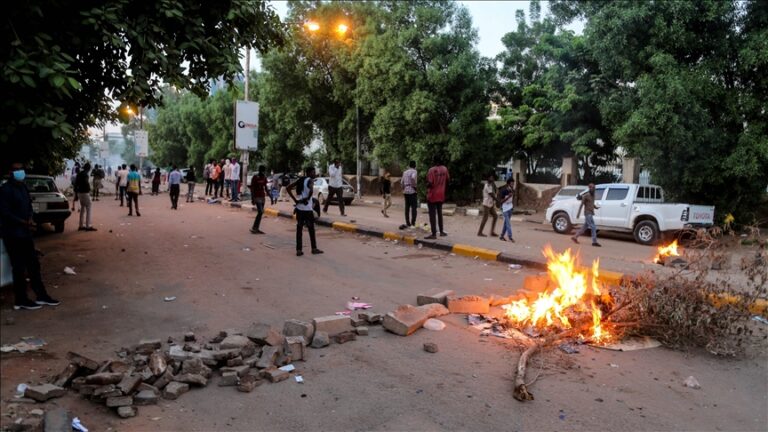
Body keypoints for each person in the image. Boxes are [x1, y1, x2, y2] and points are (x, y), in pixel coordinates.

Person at [0, 162, 61, 310]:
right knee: (18, 267)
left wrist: (30, 219)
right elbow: (5, 213)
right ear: (10, 172)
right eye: (16, 169)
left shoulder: (23, 187)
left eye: (21, 169)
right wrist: (23, 222)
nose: (20, 172)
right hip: (13, 234)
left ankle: (41, 295)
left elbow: (28, 207)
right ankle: (21, 299)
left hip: (25, 233)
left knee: (33, 265)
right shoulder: (5, 190)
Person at [287, 167, 323, 256]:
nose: (315, 174)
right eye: (313, 172)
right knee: (311, 229)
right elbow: (311, 190)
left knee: (299, 229)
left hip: (299, 208)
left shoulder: (300, 180)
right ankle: (314, 248)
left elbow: (288, 188)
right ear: (309, 173)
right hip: (307, 209)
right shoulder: (310, 180)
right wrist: (307, 198)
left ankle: (298, 250)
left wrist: (295, 200)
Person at [425, 156, 449, 239]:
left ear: (434, 161)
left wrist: (427, 185)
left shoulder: (431, 170)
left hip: (432, 195)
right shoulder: (445, 169)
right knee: (439, 213)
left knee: (432, 215)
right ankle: (441, 232)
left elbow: (430, 183)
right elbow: (448, 179)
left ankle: (434, 234)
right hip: (441, 194)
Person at [74, 163, 96, 231]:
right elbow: (86, 182)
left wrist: (76, 194)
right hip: (85, 192)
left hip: (79, 192)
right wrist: (89, 189)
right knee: (88, 208)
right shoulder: (85, 174)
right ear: (88, 168)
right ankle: (88, 226)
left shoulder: (79, 173)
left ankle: (81, 225)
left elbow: (76, 184)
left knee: (82, 209)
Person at [249, 165, 269, 234]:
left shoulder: (264, 177)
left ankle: (256, 228)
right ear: (259, 170)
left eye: (263, 171)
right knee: (260, 211)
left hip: (262, 196)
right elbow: (252, 188)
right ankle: (254, 227)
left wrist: (271, 197)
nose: (263, 172)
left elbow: (266, 187)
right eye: (262, 170)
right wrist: (252, 198)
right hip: (256, 196)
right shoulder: (255, 177)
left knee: (260, 213)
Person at [400, 160, 418, 230]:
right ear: (415, 165)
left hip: (406, 191)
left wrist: (403, 188)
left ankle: (408, 223)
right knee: (414, 207)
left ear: (409, 165)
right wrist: (414, 187)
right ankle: (413, 223)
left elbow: (401, 182)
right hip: (412, 191)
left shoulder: (405, 172)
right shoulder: (414, 171)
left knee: (407, 207)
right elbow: (413, 178)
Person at [498, 177, 515, 242]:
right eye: (512, 183)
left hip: (510, 207)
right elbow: (501, 201)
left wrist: (512, 206)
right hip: (505, 208)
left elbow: (512, 199)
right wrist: (508, 197)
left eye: (513, 183)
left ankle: (502, 236)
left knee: (506, 223)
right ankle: (510, 237)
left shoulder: (512, 190)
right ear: (508, 183)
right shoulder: (504, 190)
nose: (513, 184)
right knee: (508, 223)